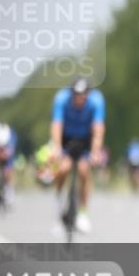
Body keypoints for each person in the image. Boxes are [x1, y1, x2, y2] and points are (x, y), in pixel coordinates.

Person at [50, 77, 106, 233]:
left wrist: (95, 152)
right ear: (71, 94)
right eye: (76, 95)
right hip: (66, 138)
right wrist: (56, 148)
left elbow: (98, 129)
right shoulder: (61, 99)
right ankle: (59, 208)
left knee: (83, 171)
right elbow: (57, 125)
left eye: (83, 95)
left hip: (85, 139)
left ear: (88, 94)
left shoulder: (96, 101)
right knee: (62, 169)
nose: (80, 99)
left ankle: (83, 214)